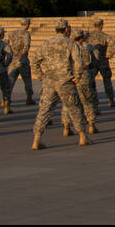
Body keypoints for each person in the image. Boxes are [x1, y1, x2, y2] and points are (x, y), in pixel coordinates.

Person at [32, 20, 92, 150]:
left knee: (44, 110)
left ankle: (37, 139)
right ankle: (82, 136)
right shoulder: (71, 43)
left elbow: (35, 61)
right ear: (66, 30)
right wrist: (77, 76)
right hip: (65, 81)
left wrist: (42, 76)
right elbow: (79, 62)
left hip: (49, 81)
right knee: (74, 108)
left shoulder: (46, 43)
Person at [63, 29, 100, 135]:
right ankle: (91, 125)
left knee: (68, 103)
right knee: (88, 101)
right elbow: (95, 60)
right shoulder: (88, 47)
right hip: (84, 77)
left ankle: (66, 127)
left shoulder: (67, 47)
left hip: (70, 77)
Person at [85, 18, 115, 108]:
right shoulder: (105, 36)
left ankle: (91, 101)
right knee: (107, 81)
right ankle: (111, 100)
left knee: (91, 81)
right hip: (103, 61)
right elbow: (114, 45)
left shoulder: (89, 36)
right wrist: (109, 54)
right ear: (101, 25)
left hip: (92, 61)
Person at [7, 17, 36, 106]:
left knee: (10, 80)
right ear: (27, 24)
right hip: (22, 60)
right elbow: (26, 46)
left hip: (13, 60)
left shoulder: (12, 33)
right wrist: (22, 55)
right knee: (27, 80)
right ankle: (29, 98)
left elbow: (7, 44)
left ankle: (6, 98)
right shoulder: (26, 34)